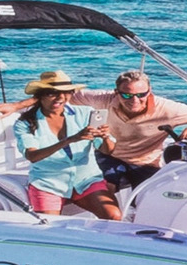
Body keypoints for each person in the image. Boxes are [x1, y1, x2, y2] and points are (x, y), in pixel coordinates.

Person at [0, 70, 187, 191]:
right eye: (127, 94)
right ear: (116, 92)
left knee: (150, 196)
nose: (134, 100)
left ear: (150, 92)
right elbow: (58, 96)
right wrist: (16, 105)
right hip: (107, 154)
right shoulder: (103, 98)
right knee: (105, 186)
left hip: (146, 161)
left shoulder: (167, 108)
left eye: (141, 94)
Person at [12, 70, 121, 220]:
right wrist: (70, 140)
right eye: (52, 93)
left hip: (86, 180)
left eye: (66, 92)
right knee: (48, 226)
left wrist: (105, 137)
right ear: (40, 96)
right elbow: (32, 156)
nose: (61, 98)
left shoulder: (86, 113)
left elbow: (108, 151)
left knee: (114, 216)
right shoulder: (25, 123)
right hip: (49, 183)